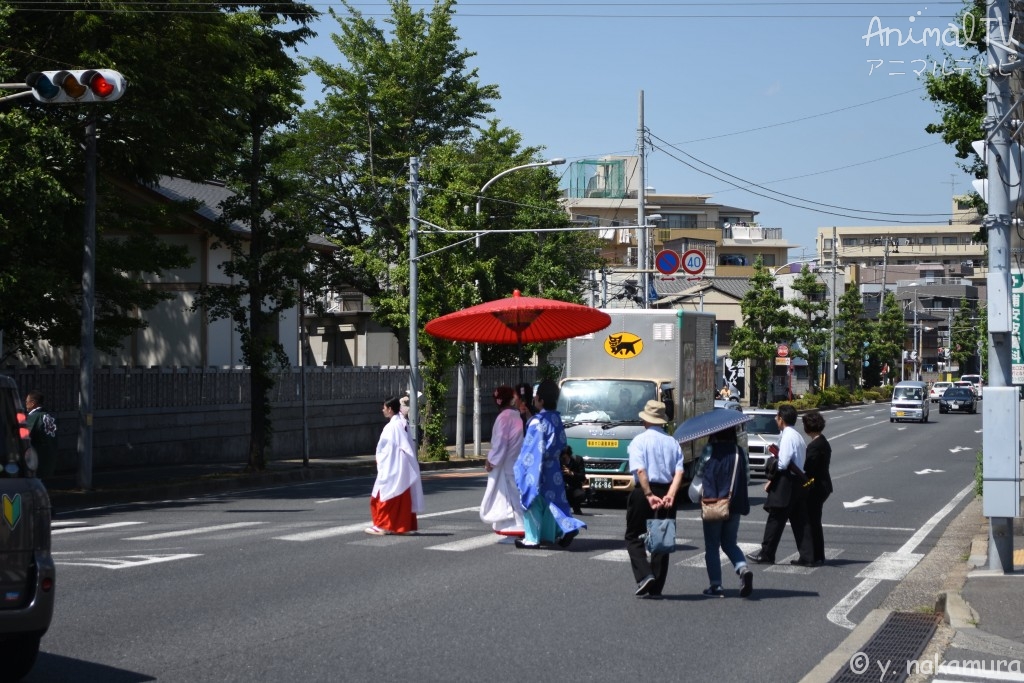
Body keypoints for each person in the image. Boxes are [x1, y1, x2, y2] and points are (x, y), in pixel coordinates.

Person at [513, 379, 586, 549]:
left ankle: (532, 539)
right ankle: (555, 532)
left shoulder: (537, 422)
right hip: (554, 467)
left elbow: (531, 450)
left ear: (541, 400)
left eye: (536, 397)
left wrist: (521, 468)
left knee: (532, 502)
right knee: (552, 502)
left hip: (538, 467)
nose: (534, 400)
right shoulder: (556, 419)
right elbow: (562, 444)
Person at [624, 400, 684, 598]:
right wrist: (671, 495)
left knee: (634, 536)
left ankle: (644, 575)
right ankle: (656, 585)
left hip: (644, 491)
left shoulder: (639, 441)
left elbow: (640, 470)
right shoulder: (672, 442)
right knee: (662, 539)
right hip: (667, 489)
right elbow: (679, 472)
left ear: (645, 421)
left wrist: (649, 494)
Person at [746, 404, 815, 565]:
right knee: (800, 521)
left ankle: (767, 554)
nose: (776, 420)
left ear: (781, 419)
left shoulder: (787, 436)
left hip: (786, 483)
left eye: (777, 417)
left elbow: (783, 463)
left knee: (775, 519)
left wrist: (772, 462)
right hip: (798, 483)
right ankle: (807, 556)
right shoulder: (797, 436)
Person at [699, 426, 753, 598]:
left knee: (712, 546)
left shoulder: (709, 450)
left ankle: (716, 586)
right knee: (729, 542)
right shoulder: (739, 452)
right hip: (733, 503)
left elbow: (699, 473)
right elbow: (747, 478)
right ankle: (742, 568)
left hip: (713, 503)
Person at [366, 396, 424, 535]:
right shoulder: (401, 423)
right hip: (402, 466)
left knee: (384, 496)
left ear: (390, 409)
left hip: (392, 465)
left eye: (384, 408)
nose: (382, 410)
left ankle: (382, 525)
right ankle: (400, 526)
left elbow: (389, 448)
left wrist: (381, 461)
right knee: (401, 498)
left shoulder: (393, 426)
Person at [479, 386, 526, 536]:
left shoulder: (503, 418)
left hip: (506, 462)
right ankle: (518, 524)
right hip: (516, 458)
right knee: (514, 493)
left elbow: (500, 442)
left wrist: (491, 460)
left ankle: (519, 525)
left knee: (509, 495)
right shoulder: (516, 415)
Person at [802, 410, 833, 566]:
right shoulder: (823, 442)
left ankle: (813, 556)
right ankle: (819, 555)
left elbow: (809, 468)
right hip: (824, 485)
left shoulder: (814, 446)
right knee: (815, 520)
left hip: (816, 486)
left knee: (811, 521)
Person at [24, 390, 57, 480]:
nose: (25, 403)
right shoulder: (51, 416)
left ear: (33, 403)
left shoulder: (34, 417)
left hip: (35, 459)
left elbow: (24, 437)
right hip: (50, 458)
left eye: (27, 401)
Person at [560, 445, 587, 515]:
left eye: (564, 458)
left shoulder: (577, 460)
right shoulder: (558, 462)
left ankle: (576, 507)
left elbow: (582, 477)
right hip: (562, 488)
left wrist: (571, 473)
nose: (563, 460)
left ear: (569, 455)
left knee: (581, 495)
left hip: (574, 487)